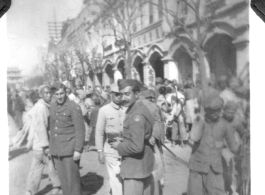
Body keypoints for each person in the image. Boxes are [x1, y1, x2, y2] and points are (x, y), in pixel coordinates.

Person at [109, 79, 155, 195]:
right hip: (143, 166)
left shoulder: (136, 115)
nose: (124, 98)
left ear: (137, 94)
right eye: (122, 94)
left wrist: (119, 146)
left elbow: (136, 147)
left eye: (127, 94)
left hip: (134, 168)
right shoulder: (140, 108)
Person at [187, 95, 240, 195]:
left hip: (215, 168)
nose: (217, 113)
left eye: (218, 110)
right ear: (207, 111)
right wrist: (201, 120)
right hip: (197, 167)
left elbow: (233, 146)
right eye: (213, 110)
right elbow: (194, 137)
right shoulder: (199, 120)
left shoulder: (225, 125)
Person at [49, 82, 85, 195]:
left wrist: (78, 149)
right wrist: (52, 149)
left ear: (66, 93)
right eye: (57, 94)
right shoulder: (53, 106)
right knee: (63, 181)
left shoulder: (73, 106)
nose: (60, 97)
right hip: (57, 150)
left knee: (73, 182)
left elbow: (80, 129)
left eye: (62, 93)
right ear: (53, 95)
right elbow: (53, 129)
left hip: (70, 150)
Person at [24, 85, 61, 195]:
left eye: (50, 92)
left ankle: (30, 190)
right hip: (42, 145)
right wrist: (46, 146)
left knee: (36, 168)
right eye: (46, 93)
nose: (49, 95)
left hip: (37, 145)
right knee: (52, 166)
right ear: (41, 94)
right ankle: (57, 186)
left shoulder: (39, 106)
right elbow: (41, 128)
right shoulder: (42, 108)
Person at [95, 83, 125, 195]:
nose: (120, 97)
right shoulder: (104, 110)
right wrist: (99, 151)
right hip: (111, 148)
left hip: (127, 147)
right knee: (116, 178)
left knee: (126, 177)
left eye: (122, 95)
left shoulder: (127, 108)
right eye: (117, 94)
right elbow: (99, 132)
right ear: (111, 94)